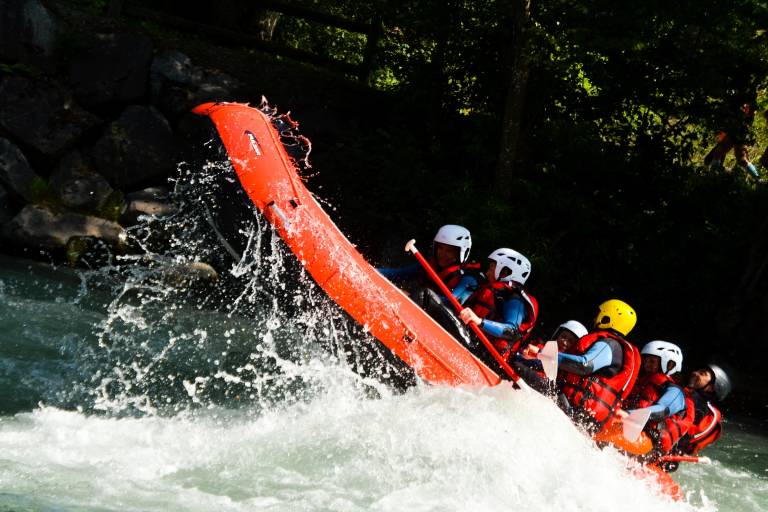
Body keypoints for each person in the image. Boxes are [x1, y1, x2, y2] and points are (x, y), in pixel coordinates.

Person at [533, 299, 641, 434]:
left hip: (574, 410)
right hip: (584, 418)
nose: (595, 318)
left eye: (599, 314)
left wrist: (544, 354)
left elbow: (584, 365)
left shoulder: (610, 345)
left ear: (609, 317)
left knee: (518, 365)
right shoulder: (615, 347)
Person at [458, 248, 539, 363]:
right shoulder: (492, 290)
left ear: (505, 272)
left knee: (425, 295)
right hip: (474, 345)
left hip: (489, 359)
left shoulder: (516, 301)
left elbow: (511, 331)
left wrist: (479, 321)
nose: (487, 272)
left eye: (491, 267)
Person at [622, 341, 694, 458]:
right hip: (630, 429)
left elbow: (661, 410)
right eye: (645, 361)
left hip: (650, 441)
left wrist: (627, 414)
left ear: (669, 365)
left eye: (652, 361)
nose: (646, 364)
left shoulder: (675, 391)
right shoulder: (642, 382)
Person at [379, 224, 480, 303]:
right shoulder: (429, 265)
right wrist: (369, 270)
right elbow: (397, 274)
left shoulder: (468, 280)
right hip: (422, 309)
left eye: (449, 251)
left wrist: (410, 297)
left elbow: (448, 302)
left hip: (449, 324)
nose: (442, 254)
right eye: (440, 248)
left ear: (460, 254)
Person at [512, 320, 588, 394]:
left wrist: (536, 356)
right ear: (557, 335)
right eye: (563, 336)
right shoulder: (541, 346)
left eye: (570, 341)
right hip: (526, 381)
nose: (564, 342)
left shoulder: (569, 365)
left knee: (516, 365)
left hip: (546, 389)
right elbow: (520, 356)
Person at [676, 363, 731, 456]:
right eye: (698, 371)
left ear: (711, 388)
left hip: (668, 447)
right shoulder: (687, 394)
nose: (695, 373)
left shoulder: (700, 407)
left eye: (702, 374)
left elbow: (683, 436)